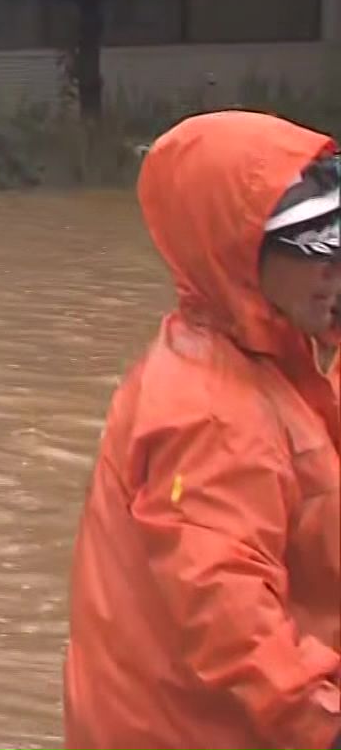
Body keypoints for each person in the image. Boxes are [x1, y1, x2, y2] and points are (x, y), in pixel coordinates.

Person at [64, 112, 339, 750]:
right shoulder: (211, 411)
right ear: (240, 254)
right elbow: (229, 612)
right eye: (316, 248)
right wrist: (324, 722)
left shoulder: (279, 362)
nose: (334, 270)